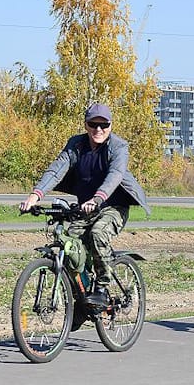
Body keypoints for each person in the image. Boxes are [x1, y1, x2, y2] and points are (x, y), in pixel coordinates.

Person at [19, 103, 151, 308]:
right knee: (69, 243)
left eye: (104, 125)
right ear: (86, 125)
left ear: (110, 125)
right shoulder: (76, 145)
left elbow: (115, 175)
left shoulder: (118, 147)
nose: (98, 130)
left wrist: (98, 198)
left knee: (98, 234)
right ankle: (81, 302)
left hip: (113, 207)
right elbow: (56, 170)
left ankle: (101, 288)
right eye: (93, 124)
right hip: (85, 208)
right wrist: (35, 196)